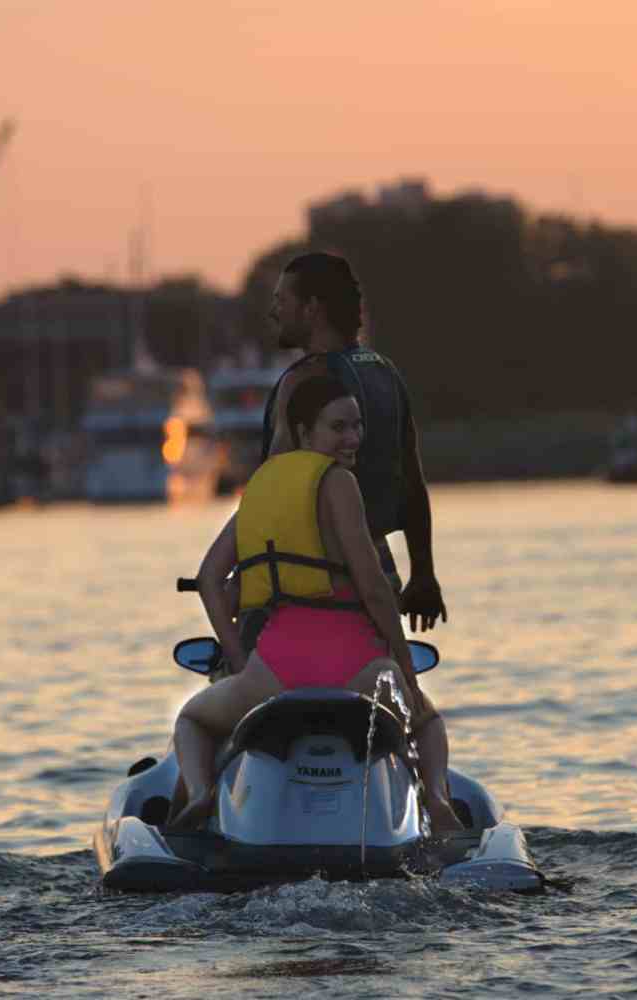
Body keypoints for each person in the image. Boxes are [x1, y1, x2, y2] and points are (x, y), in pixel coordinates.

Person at [170, 375, 462, 832]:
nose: (353, 438)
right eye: (338, 427)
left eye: (357, 426)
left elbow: (210, 579)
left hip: (275, 672)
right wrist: (404, 665)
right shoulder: (340, 483)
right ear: (305, 433)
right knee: (426, 722)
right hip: (359, 669)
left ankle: (203, 792)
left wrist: (239, 657)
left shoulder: (261, 491)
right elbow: (372, 586)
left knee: (192, 720)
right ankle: (439, 803)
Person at [259, 251, 458, 818]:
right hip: (380, 569)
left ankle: (258, 808)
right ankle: (420, 799)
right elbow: (412, 479)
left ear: (313, 308)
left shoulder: (307, 384)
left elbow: (274, 486)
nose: (274, 311)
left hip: (305, 581)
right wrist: (422, 572)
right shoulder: (383, 373)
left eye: (283, 301)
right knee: (394, 697)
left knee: (262, 696)